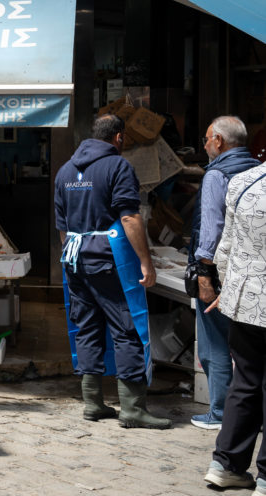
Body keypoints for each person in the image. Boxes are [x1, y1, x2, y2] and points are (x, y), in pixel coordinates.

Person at [54, 114, 171, 429]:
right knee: (126, 327)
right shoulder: (118, 167)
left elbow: (62, 229)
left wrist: (74, 258)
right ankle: (133, 409)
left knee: (88, 327)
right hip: (108, 260)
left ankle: (93, 403)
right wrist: (146, 262)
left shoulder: (65, 171)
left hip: (75, 260)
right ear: (119, 137)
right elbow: (130, 218)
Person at [186, 116, 259, 430]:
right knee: (247, 348)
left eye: (206, 139)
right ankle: (249, 415)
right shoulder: (258, 170)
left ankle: (219, 412)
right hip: (250, 275)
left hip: (218, 274)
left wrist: (204, 274)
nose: (204, 146)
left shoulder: (217, 174)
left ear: (219, 140)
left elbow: (212, 229)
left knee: (214, 343)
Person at [202, 160, 266, 491]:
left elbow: (225, 248)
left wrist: (228, 290)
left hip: (245, 300)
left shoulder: (243, 182)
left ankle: (226, 464)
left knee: (245, 382)